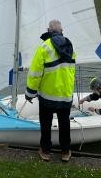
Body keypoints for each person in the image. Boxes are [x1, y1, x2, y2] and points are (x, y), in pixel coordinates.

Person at [25, 20, 76, 162]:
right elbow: (70, 71)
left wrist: (30, 92)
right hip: (66, 95)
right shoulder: (70, 46)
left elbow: (35, 72)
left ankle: (46, 151)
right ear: (62, 31)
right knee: (64, 124)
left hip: (48, 96)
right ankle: (65, 152)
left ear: (49, 30)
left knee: (46, 124)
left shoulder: (44, 47)